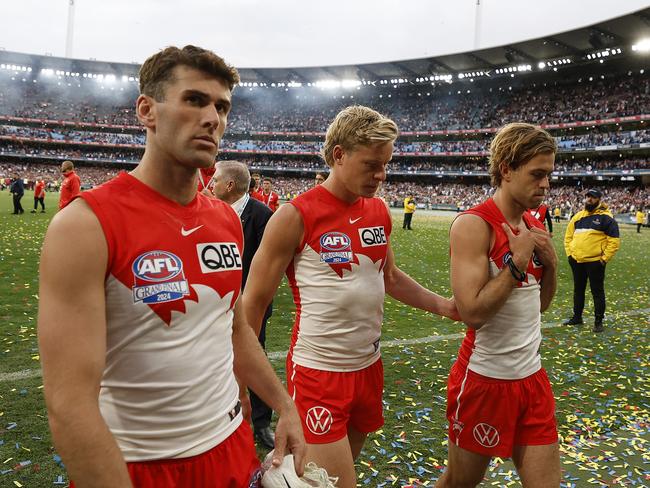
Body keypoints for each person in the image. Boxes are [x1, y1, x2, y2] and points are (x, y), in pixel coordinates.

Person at [38, 45, 305, 488]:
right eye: (195, 100)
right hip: (139, 462)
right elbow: (69, 404)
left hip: (231, 447)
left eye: (221, 107)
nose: (212, 118)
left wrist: (285, 405)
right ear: (147, 110)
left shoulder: (225, 220)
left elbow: (233, 325)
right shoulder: (85, 226)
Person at [243, 105, 458, 488]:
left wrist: (445, 306)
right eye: (372, 164)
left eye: (386, 165)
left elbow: (388, 276)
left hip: (368, 367)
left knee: (334, 475)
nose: (381, 175)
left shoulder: (377, 210)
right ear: (339, 155)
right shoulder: (295, 216)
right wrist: (240, 380)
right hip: (319, 372)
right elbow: (254, 302)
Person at [438, 123, 560, 488]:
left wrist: (551, 266)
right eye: (537, 174)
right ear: (506, 169)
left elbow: (540, 306)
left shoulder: (532, 221)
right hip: (483, 381)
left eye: (549, 175)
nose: (546, 185)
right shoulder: (473, 225)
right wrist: (516, 264)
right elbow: (472, 313)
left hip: (532, 380)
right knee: (460, 483)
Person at [212, 160, 276, 450]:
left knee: (254, 357)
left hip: (251, 305)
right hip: (214, 303)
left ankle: (261, 423)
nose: (210, 185)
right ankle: (221, 414)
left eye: (215, 180)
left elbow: (271, 268)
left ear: (229, 186)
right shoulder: (209, 212)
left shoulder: (263, 215)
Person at [563, 188, 620, 333]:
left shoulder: (606, 217)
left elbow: (614, 241)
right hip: (577, 261)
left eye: (592, 197)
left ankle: (598, 321)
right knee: (578, 290)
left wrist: (603, 259)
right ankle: (577, 317)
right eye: (587, 196)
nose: (589, 199)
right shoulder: (578, 216)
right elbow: (568, 237)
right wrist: (570, 255)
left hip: (595, 262)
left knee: (597, 292)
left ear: (599, 200)